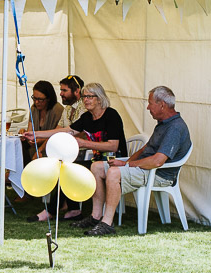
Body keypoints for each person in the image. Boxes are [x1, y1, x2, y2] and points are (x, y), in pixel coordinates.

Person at [79, 86, 191, 236]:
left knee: (113, 173)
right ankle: (96, 216)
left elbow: (157, 161)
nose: (148, 107)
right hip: (146, 169)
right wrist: (125, 162)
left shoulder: (175, 128)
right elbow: (146, 148)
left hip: (159, 175)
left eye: (150, 103)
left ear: (162, 105)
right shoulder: (163, 123)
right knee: (97, 167)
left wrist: (129, 164)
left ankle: (107, 223)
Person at [23, 82, 126, 223]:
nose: (86, 100)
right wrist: (37, 134)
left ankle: (63, 212)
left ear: (100, 98)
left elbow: (113, 146)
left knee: (75, 167)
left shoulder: (111, 115)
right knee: (65, 167)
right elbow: (66, 131)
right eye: (84, 97)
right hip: (96, 161)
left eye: (90, 96)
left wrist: (84, 143)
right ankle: (73, 210)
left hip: (115, 160)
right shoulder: (88, 117)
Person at [21, 80, 64, 165]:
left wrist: (41, 140)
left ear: (48, 99)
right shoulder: (34, 109)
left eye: (40, 99)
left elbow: (58, 135)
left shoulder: (57, 110)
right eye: (34, 98)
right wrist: (24, 133)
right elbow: (30, 131)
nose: (36, 102)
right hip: (34, 146)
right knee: (20, 144)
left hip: (50, 147)